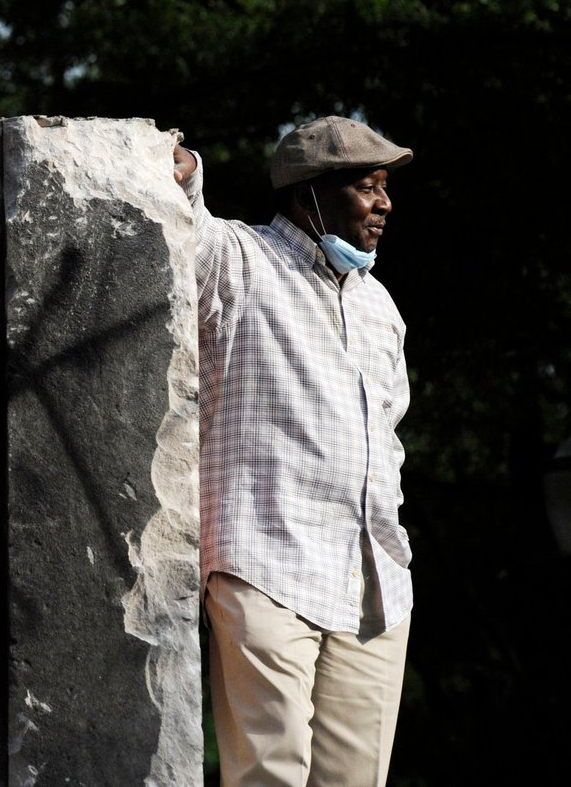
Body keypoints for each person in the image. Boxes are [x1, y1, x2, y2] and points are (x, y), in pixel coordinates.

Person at [171, 116, 414, 786]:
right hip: (266, 564)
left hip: (374, 581)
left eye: (385, 188)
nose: (384, 204)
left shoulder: (379, 306)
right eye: (367, 187)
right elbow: (188, 229)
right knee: (268, 774)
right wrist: (185, 169)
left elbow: (388, 433)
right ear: (311, 192)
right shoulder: (244, 260)